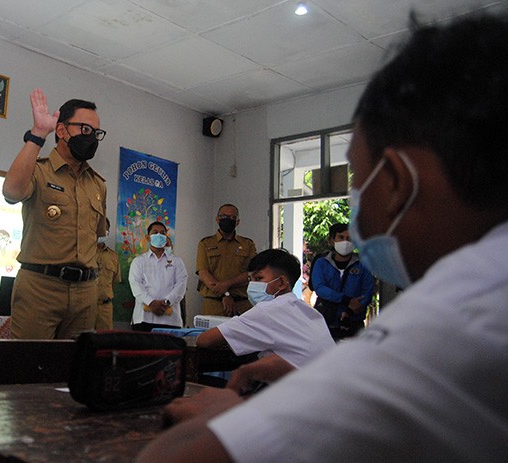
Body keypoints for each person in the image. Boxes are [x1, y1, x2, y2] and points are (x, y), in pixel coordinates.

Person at [138, 12, 508, 462]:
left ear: (396, 180)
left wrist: (232, 415)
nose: (354, 205)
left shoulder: (460, 316)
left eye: (357, 176)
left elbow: (176, 457)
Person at [3, 88, 107, 339]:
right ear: (62, 131)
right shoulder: (39, 170)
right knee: (27, 368)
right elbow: (12, 191)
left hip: (85, 291)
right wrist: (38, 134)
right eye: (84, 129)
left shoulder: (97, 185)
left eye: (95, 133)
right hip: (41, 287)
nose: (90, 137)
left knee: (74, 372)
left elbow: (97, 237)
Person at [196, 249, 334, 368]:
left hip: (300, 392)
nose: (252, 285)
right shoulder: (308, 312)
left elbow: (204, 340)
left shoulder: (267, 311)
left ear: (281, 283)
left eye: (259, 278)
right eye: (250, 280)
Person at [310, 222, 375, 339]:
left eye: (349, 238)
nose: (345, 241)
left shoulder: (363, 265)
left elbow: (367, 292)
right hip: (326, 322)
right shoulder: (321, 263)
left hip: (353, 323)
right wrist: (346, 300)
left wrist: (350, 311)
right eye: (341, 237)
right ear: (331, 240)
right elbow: (320, 288)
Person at [196, 204, 256, 316]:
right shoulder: (205, 243)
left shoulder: (248, 244)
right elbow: (203, 273)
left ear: (237, 222)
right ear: (217, 219)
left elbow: (251, 273)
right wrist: (225, 295)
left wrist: (226, 284)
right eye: (223, 217)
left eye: (232, 217)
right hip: (214, 304)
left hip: (241, 305)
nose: (227, 220)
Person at [129, 221, 188, 331]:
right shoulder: (138, 261)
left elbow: (181, 285)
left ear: (166, 237)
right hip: (144, 319)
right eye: (155, 233)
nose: (159, 235)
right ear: (147, 237)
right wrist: (151, 303)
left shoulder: (177, 261)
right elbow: (136, 285)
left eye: (162, 233)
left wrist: (166, 302)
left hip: (171, 320)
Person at [95, 218, 121, 330]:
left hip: (105, 308)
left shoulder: (113, 256)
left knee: (104, 342)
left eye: (104, 228)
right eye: (98, 228)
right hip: (84, 307)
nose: (101, 231)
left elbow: (114, 282)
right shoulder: (81, 254)